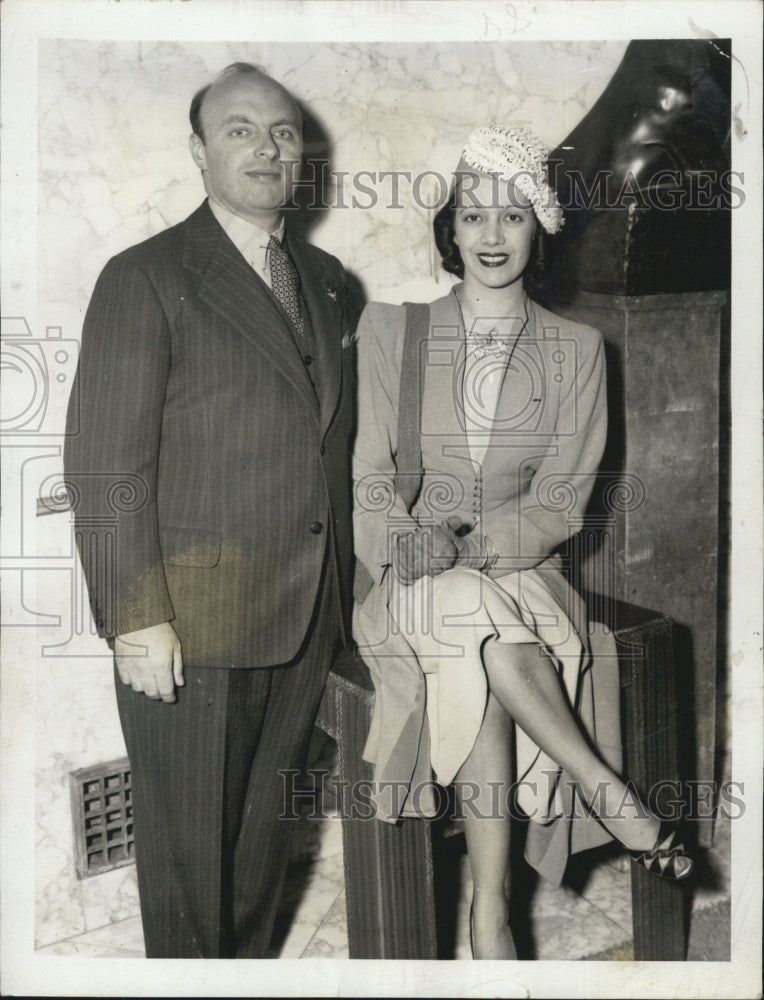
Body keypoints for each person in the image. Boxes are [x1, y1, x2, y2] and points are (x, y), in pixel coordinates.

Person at [351, 124, 692, 960]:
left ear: (539, 230)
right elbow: (367, 477)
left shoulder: (578, 351)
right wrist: (407, 540)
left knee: (483, 626)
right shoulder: (396, 332)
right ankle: (599, 791)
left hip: (522, 572)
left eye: (512, 217)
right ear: (451, 230)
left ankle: (490, 909)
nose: (492, 236)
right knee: (474, 621)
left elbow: (562, 498)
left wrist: (469, 549)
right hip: (410, 576)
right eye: (474, 217)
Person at [63, 62, 357, 958]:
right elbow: (104, 465)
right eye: (239, 129)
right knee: (192, 872)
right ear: (198, 149)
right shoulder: (145, 275)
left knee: (260, 856)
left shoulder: (331, 279)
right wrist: (136, 616)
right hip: (190, 626)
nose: (266, 148)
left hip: (308, 614)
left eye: (281, 131)